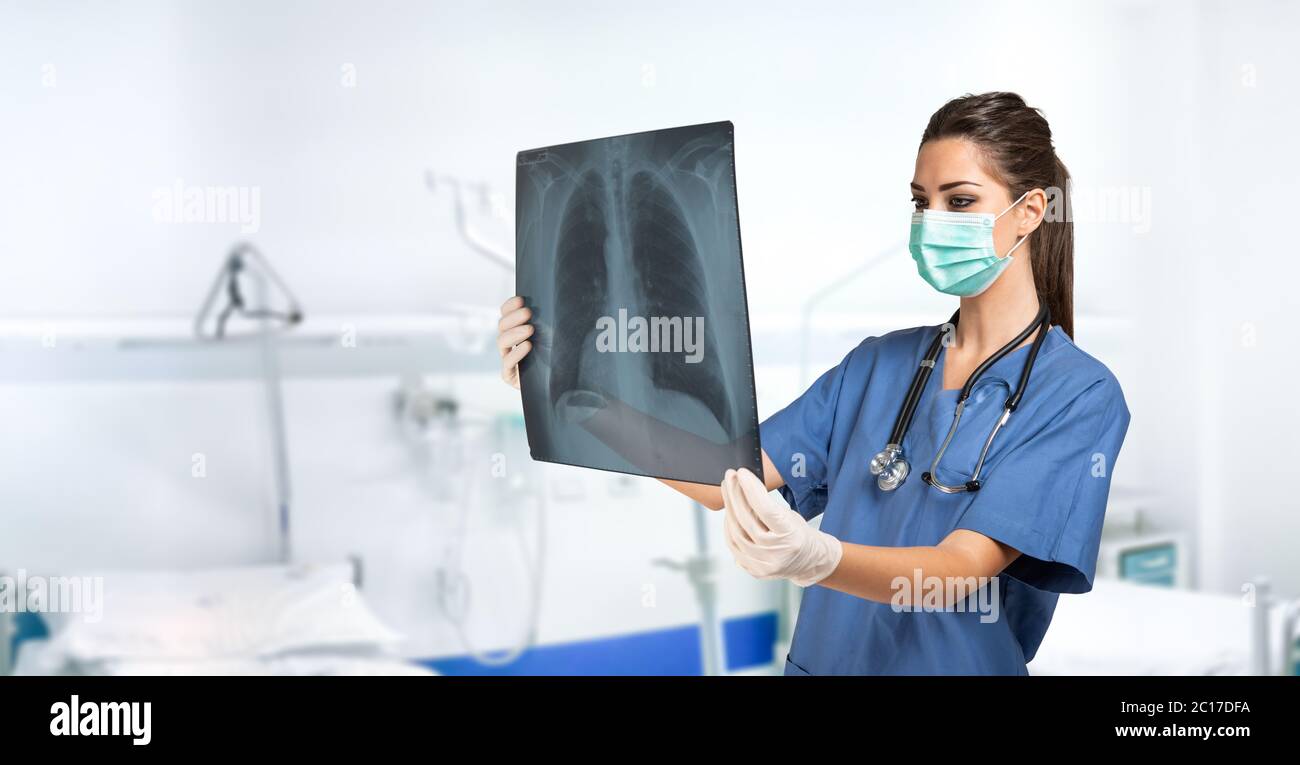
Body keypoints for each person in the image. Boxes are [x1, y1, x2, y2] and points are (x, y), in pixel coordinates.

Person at [496, 92, 1130, 675]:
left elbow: (961, 570)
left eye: (958, 201)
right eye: (920, 200)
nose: (931, 220)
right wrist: (569, 391)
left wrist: (817, 557)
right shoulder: (879, 365)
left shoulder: (1076, 394)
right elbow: (730, 478)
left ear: (1030, 212)